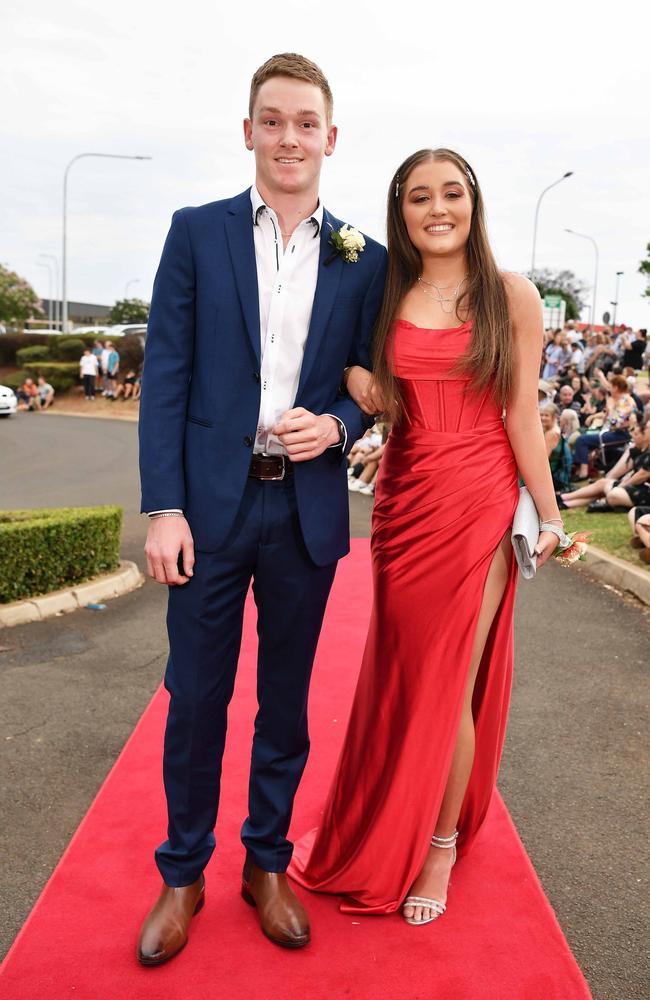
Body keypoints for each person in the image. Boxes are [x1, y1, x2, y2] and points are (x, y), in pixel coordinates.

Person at [136, 53, 386, 965]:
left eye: (305, 122)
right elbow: (164, 377)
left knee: (285, 702)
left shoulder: (369, 258)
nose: (289, 137)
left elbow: (375, 382)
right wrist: (163, 506)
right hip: (207, 510)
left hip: (305, 512)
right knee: (196, 698)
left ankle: (267, 862)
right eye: (271, 121)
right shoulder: (194, 232)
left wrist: (341, 421)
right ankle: (182, 871)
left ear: (330, 136)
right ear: (249, 132)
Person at [289, 148, 565, 924]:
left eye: (452, 193)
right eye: (419, 197)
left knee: (450, 683)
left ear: (473, 204)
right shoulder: (387, 292)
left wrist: (547, 513)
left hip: (477, 503)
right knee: (406, 676)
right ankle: (387, 817)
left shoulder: (512, 294)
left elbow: (519, 412)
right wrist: (351, 382)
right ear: (400, 210)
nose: (436, 208)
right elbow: (367, 383)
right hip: (405, 501)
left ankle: (438, 843)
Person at [559, 419, 649, 510]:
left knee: (613, 494)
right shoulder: (638, 450)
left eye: (637, 434)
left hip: (644, 492)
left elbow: (641, 476)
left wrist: (622, 484)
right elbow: (627, 471)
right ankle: (565, 500)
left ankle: (566, 500)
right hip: (635, 487)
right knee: (603, 483)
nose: (633, 436)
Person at [572, 372, 636, 479]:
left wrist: (610, 409)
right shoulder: (621, 400)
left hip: (621, 435)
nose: (609, 390)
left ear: (615, 387)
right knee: (584, 437)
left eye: (610, 387)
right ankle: (581, 469)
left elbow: (615, 423)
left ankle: (583, 473)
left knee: (582, 440)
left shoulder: (626, 401)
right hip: (613, 432)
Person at [540, 402, 572, 492]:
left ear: (554, 417)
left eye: (546, 415)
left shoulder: (552, 433)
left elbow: (543, 459)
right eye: (541, 415)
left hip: (554, 476)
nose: (543, 418)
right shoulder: (553, 429)